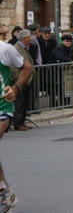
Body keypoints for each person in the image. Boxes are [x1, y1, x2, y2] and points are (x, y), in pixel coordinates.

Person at [0, 40, 33, 212]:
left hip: (2, 107)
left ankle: (3, 191)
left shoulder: (4, 49)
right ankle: (3, 189)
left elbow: (27, 68)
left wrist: (16, 88)